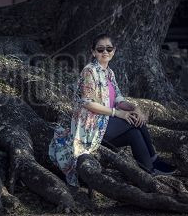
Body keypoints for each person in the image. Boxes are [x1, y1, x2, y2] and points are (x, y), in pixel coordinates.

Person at [49, 33, 175, 187]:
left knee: (134, 133)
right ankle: (155, 160)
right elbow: (88, 103)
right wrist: (118, 113)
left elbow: (118, 100)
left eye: (109, 49)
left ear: (114, 51)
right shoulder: (90, 71)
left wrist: (135, 108)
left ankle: (149, 171)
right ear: (93, 52)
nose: (105, 52)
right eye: (100, 49)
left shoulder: (109, 73)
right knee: (134, 122)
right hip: (91, 127)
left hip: (106, 124)